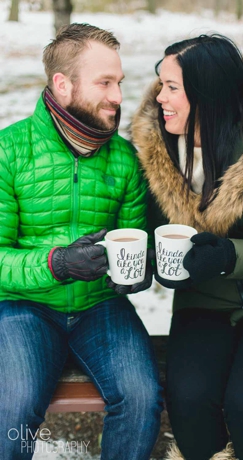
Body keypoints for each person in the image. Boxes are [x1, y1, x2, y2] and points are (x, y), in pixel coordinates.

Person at [129, 35, 243, 460]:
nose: (160, 96)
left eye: (172, 87)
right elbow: (154, 239)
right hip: (202, 302)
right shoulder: (157, 154)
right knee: (189, 402)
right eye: (160, 83)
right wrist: (138, 264)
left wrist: (229, 257)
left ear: (207, 95)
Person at [0, 23, 161, 459]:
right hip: (24, 305)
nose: (117, 97)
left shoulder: (125, 159)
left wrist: (138, 272)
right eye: (104, 83)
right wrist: (59, 263)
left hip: (98, 305)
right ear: (63, 85)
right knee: (13, 408)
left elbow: (134, 240)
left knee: (142, 399)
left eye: (120, 83)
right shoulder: (9, 151)